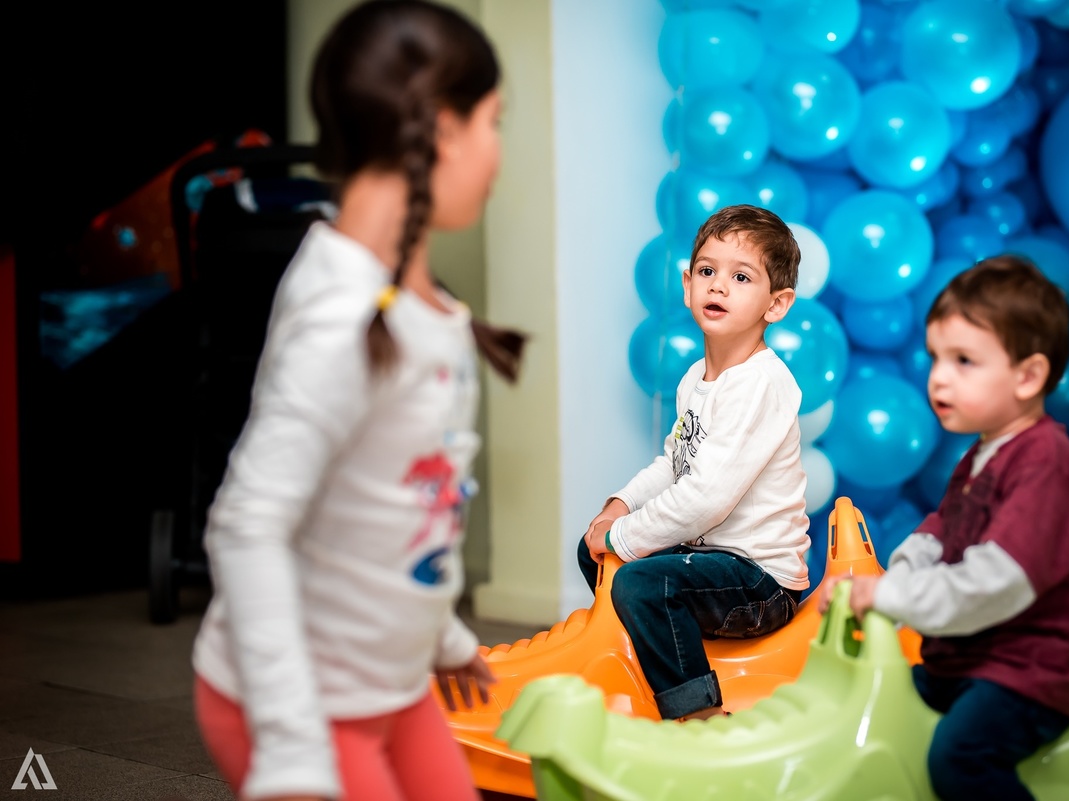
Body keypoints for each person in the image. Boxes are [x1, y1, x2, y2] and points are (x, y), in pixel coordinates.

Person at [190, 3, 525, 800]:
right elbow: (247, 525)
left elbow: (392, 502)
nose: (498, 153)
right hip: (300, 701)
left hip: (392, 683)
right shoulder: (343, 316)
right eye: (493, 122)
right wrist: (293, 746)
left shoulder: (417, 305)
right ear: (442, 130)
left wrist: (440, 635)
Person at [818, 255, 1069, 801]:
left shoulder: (1046, 462)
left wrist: (888, 593)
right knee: (883, 705)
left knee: (960, 756)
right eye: (936, 358)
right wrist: (888, 581)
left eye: (964, 360)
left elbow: (994, 581)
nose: (939, 377)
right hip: (975, 655)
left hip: (1034, 668)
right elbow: (938, 534)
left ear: (1028, 376)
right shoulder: (981, 457)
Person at [578, 204, 812, 722]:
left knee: (641, 580)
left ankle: (698, 714)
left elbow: (705, 498)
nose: (718, 287)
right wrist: (619, 506)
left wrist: (622, 537)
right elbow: (674, 464)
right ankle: (643, 657)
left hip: (759, 580)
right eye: (707, 271)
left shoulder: (761, 384)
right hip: (713, 559)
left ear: (776, 305)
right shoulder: (694, 380)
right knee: (592, 550)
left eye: (741, 277)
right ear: (687, 285)